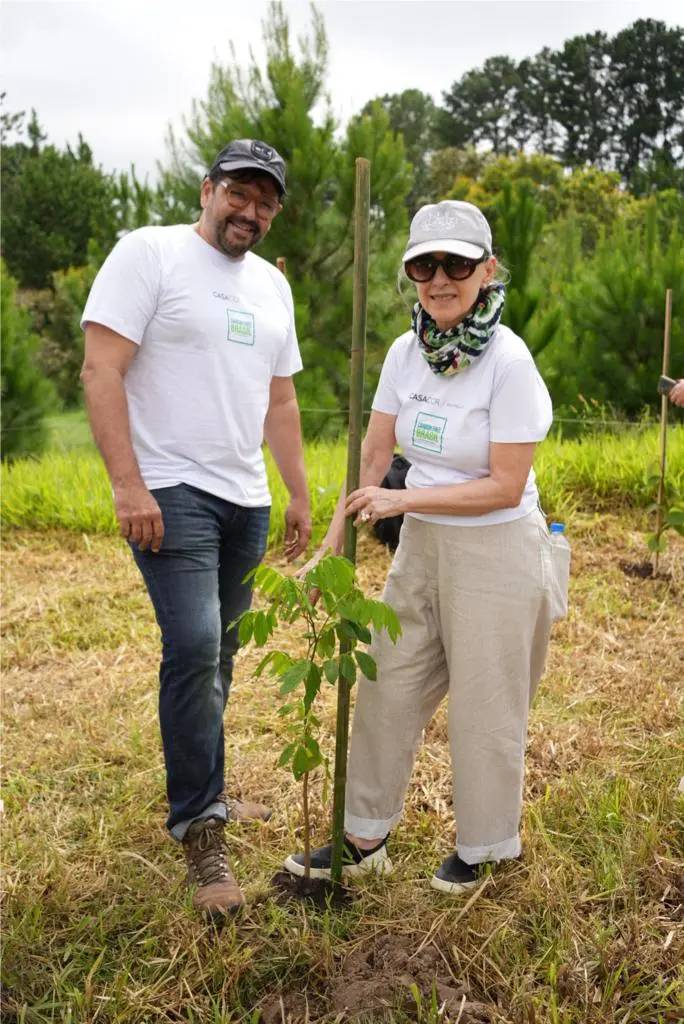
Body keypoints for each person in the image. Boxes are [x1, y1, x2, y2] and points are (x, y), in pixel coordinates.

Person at [284, 199, 557, 894]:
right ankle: (362, 833)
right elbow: (377, 449)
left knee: (486, 701)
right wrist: (335, 544)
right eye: (423, 264)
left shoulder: (509, 361)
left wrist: (401, 500)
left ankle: (488, 847)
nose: (440, 278)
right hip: (424, 545)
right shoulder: (407, 352)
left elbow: (503, 484)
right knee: (385, 678)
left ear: (487, 270)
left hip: (497, 550)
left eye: (457, 264)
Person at [80, 139, 311, 919]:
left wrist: (298, 495)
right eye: (238, 193)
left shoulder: (273, 289)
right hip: (169, 490)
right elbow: (100, 368)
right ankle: (200, 827)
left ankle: (204, 787)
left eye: (265, 200)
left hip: (245, 498)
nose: (250, 210)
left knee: (224, 651)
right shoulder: (149, 254)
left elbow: (280, 400)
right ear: (208, 189)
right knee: (194, 645)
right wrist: (126, 484)